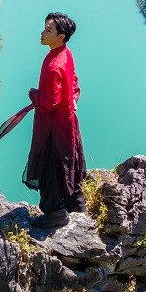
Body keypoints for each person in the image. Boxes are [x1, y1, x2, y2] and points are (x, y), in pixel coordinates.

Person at [24, 13, 86, 229]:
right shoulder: (64, 54)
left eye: (48, 30)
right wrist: (73, 98)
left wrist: (33, 94)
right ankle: (75, 205)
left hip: (52, 128)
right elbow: (74, 80)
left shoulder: (53, 65)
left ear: (61, 36)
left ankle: (56, 215)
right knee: (67, 164)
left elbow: (49, 102)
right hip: (67, 123)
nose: (42, 33)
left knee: (51, 170)